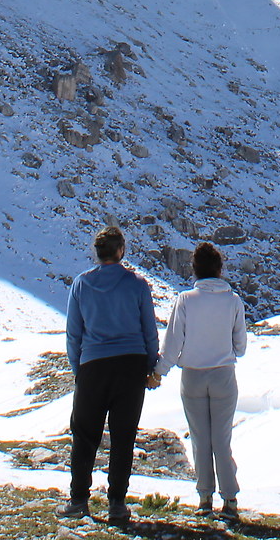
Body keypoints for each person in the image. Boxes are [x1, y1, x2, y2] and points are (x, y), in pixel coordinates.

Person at [64, 225, 161, 526]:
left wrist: (80, 370)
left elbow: (73, 334)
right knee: (123, 436)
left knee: (84, 435)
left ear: (97, 252)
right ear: (121, 251)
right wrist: (151, 366)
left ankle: (79, 499)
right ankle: (117, 504)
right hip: (131, 366)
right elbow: (149, 331)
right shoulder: (137, 284)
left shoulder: (82, 284)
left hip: (94, 366)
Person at [161, 241, 248, 520]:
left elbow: (173, 344)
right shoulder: (233, 301)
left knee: (200, 439)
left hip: (193, 376)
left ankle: (204, 498)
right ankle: (230, 499)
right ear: (220, 269)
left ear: (195, 270)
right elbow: (241, 347)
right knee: (221, 439)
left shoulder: (185, 300)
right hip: (223, 374)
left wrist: (158, 371)